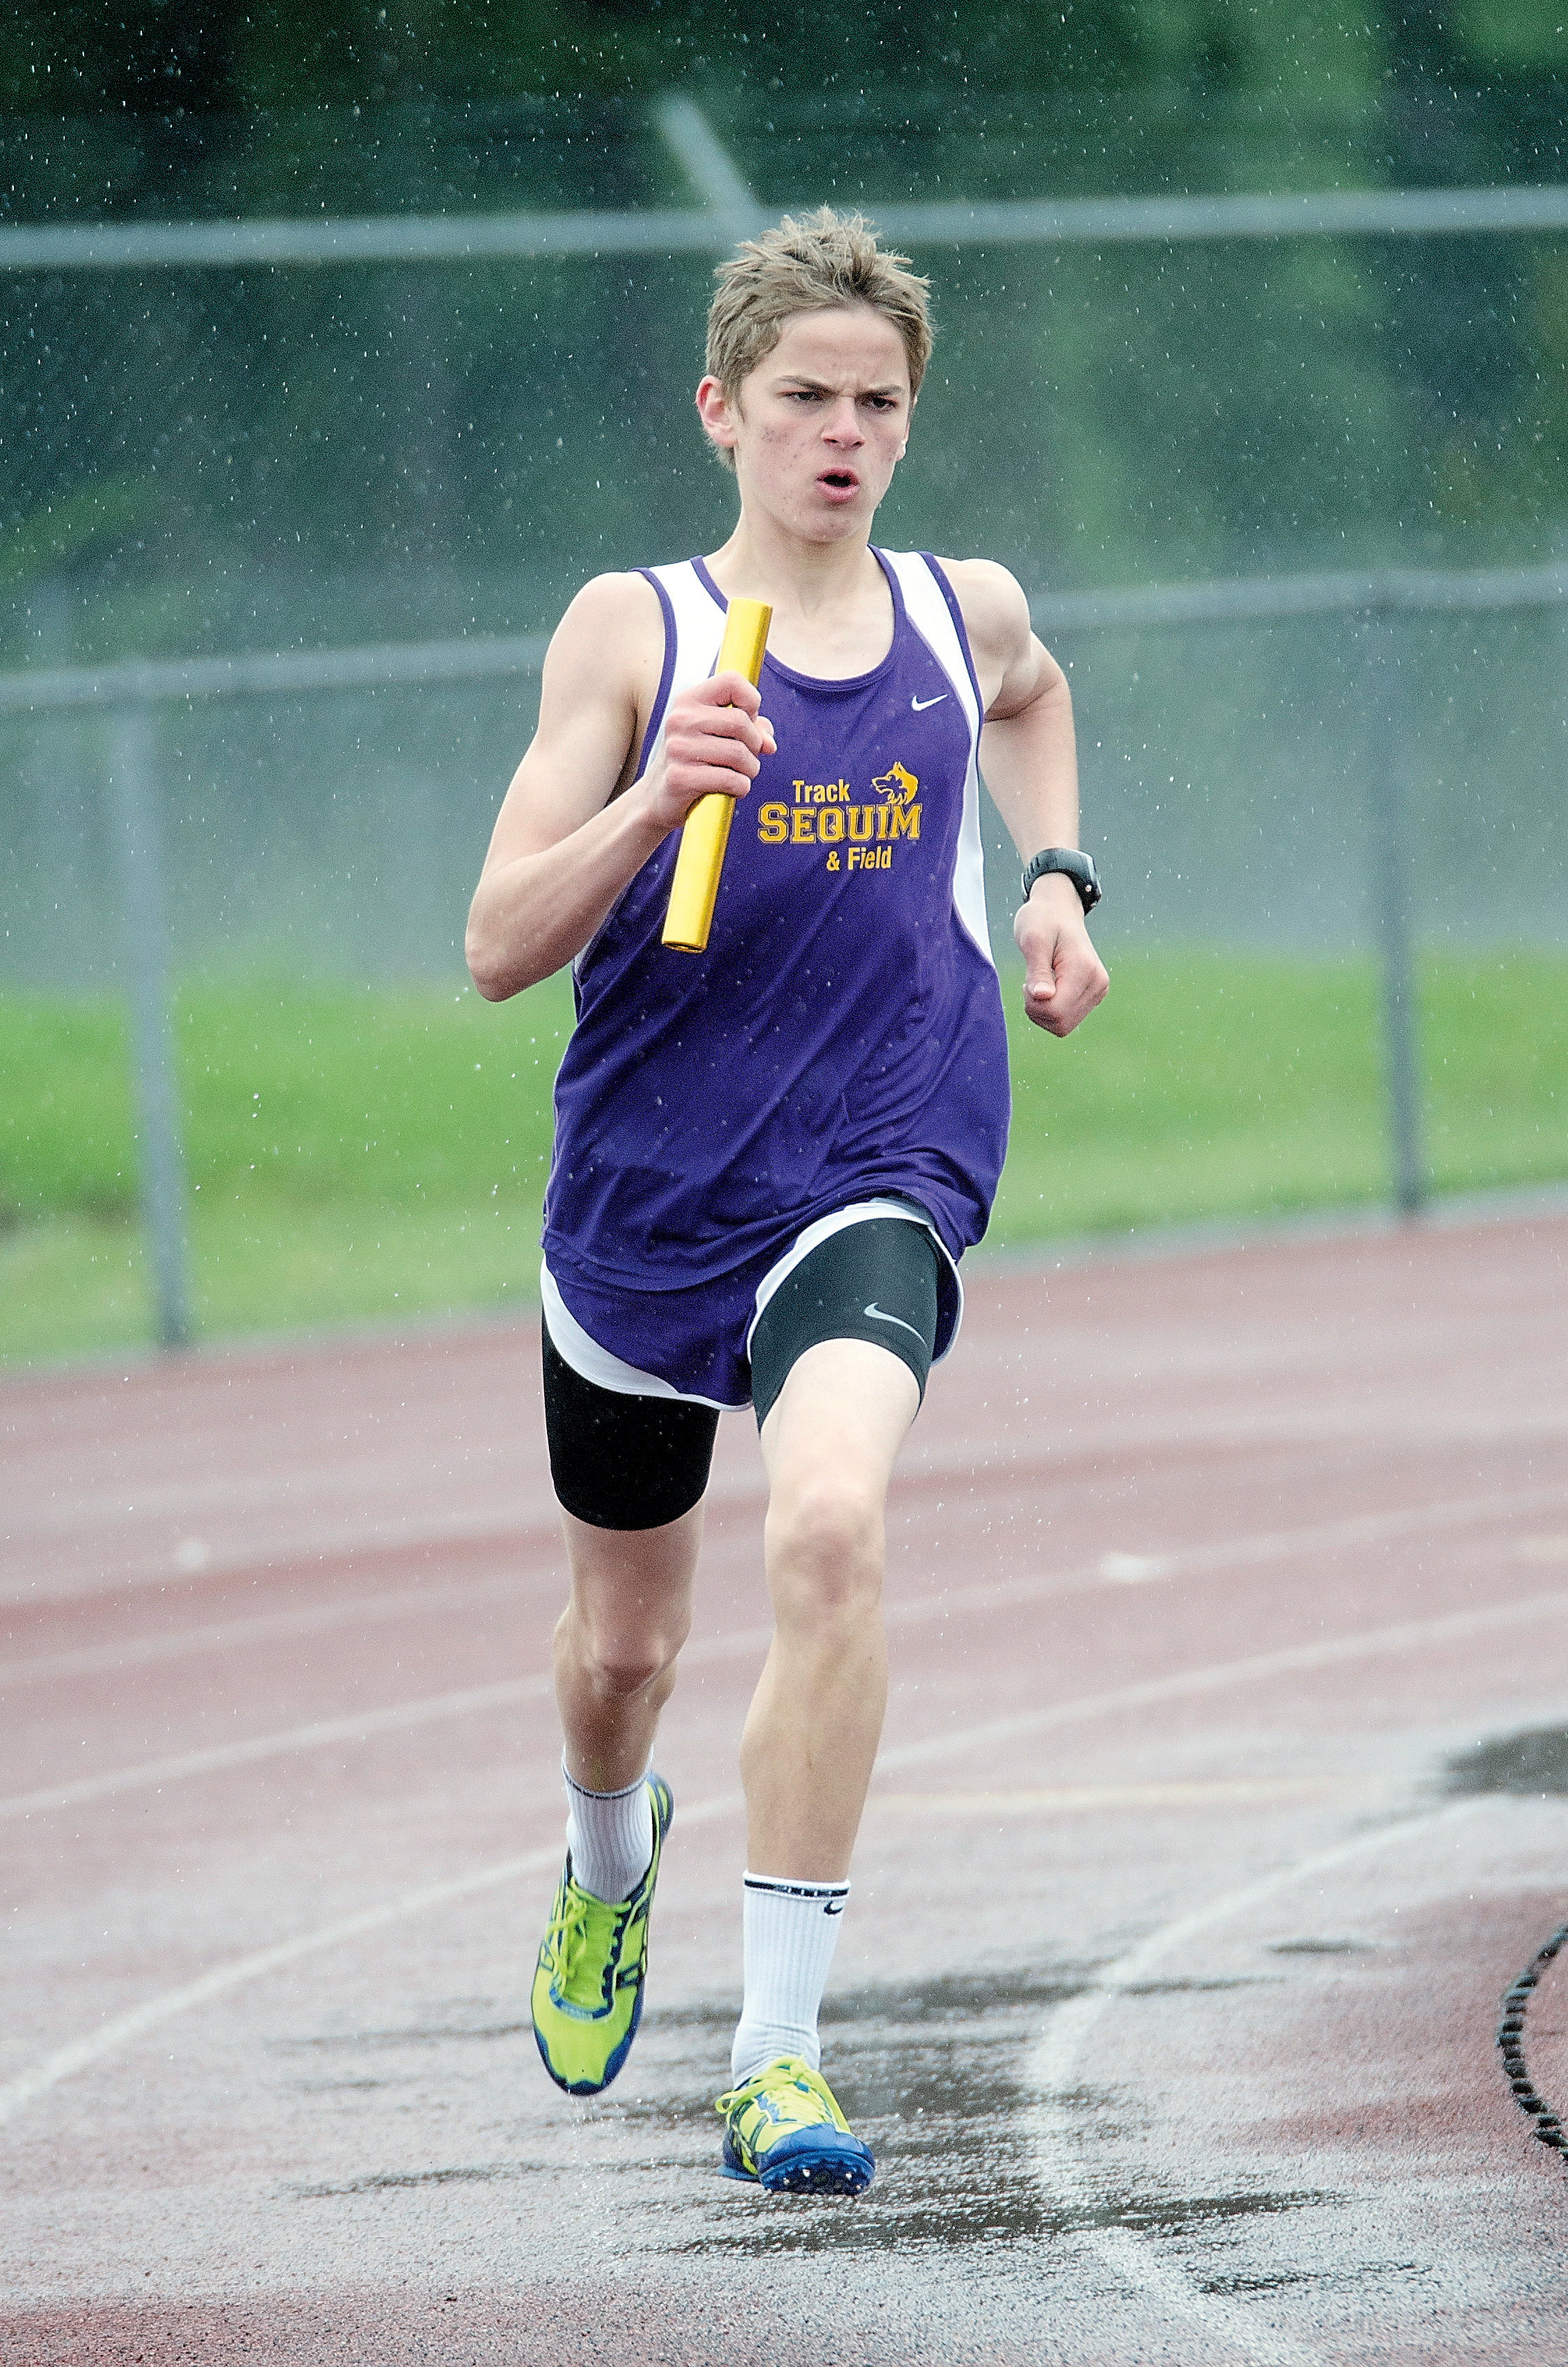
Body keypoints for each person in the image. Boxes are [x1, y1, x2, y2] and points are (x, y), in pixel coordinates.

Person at [466, 207, 1108, 2196]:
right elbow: (496, 942)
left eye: (880, 404)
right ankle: (604, 1853)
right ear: (721, 409)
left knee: (829, 1528)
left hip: (880, 1157)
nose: (844, 436)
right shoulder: (631, 630)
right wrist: (660, 792)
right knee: (622, 1652)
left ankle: (776, 2052)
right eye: (807, 401)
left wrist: (1061, 873)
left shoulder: (953, 605)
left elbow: (1033, 695)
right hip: (651, 1202)